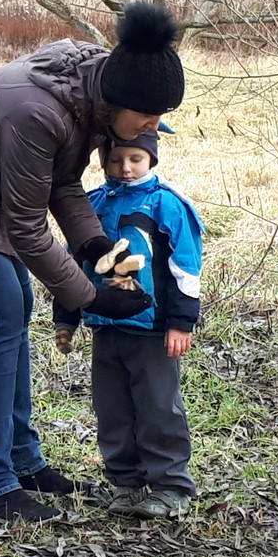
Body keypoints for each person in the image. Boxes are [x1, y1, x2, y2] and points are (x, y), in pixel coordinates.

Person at [0, 3, 180, 521]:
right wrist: (91, 298)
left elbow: (61, 181)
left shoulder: (91, 96)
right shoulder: (38, 110)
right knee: (0, 312)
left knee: (15, 308)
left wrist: (95, 247)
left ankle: (24, 461)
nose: (152, 127)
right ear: (121, 102)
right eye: (148, 117)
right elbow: (27, 226)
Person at [54, 129, 206, 515]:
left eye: (135, 159)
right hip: (105, 325)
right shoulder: (91, 204)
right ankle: (126, 482)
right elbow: (72, 265)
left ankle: (171, 485)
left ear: (151, 158)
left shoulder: (167, 204)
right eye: (116, 159)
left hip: (153, 330)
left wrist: (181, 322)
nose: (125, 168)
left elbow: (186, 267)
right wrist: (66, 318)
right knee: (111, 408)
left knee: (158, 406)